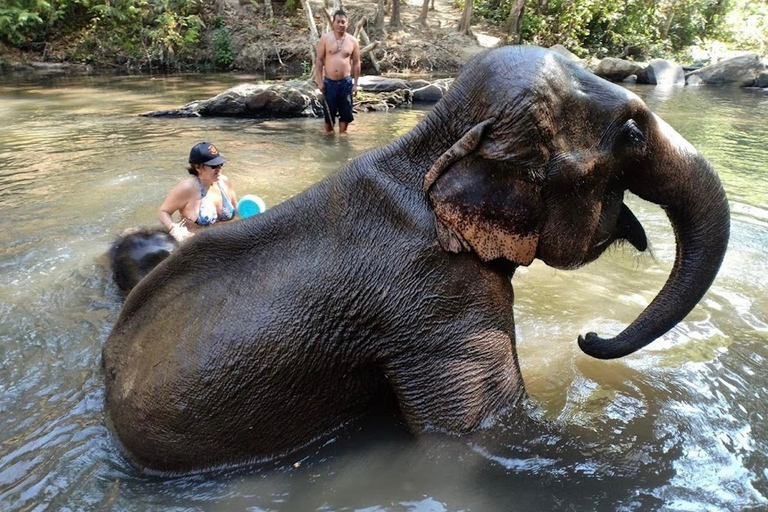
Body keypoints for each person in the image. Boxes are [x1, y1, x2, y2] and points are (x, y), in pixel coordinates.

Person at [159, 142, 238, 242]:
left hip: (225, 240)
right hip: (197, 245)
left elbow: (237, 210)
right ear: (197, 167)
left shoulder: (224, 182)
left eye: (220, 164)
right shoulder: (187, 188)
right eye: (214, 166)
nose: (219, 169)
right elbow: (163, 212)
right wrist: (175, 229)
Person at [315, 9, 361, 134]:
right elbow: (319, 60)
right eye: (338, 22)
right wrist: (319, 81)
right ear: (333, 23)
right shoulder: (325, 38)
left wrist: (356, 84)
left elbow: (356, 62)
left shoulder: (353, 41)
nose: (340, 24)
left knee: (345, 114)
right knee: (328, 116)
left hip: (346, 82)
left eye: (343, 22)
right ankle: (329, 139)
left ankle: (342, 139)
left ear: (347, 23)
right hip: (329, 82)